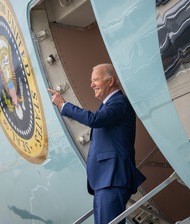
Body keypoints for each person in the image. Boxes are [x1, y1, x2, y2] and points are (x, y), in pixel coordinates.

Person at [48, 63, 146, 224]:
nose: (91, 85)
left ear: (110, 81)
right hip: (104, 179)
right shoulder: (108, 105)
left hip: (112, 177)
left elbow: (94, 120)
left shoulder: (119, 102)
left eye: (96, 80)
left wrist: (62, 105)